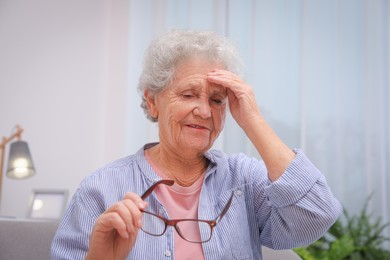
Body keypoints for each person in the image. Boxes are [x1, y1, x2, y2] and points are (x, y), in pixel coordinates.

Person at [51, 29, 342, 260]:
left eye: (217, 100)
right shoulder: (100, 190)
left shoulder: (244, 179)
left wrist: (253, 121)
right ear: (153, 101)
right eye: (189, 95)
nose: (204, 111)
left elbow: (317, 215)